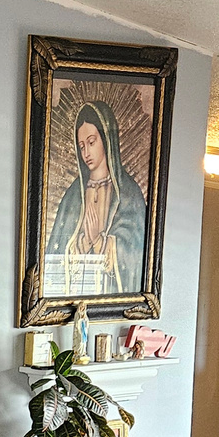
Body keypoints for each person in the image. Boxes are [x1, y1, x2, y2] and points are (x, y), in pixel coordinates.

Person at [44, 99, 148, 295]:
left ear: (107, 139)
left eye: (91, 142)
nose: (86, 153)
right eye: (81, 146)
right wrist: (82, 243)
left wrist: (101, 242)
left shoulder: (129, 194)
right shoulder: (74, 195)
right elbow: (54, 256)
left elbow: (137, 253)